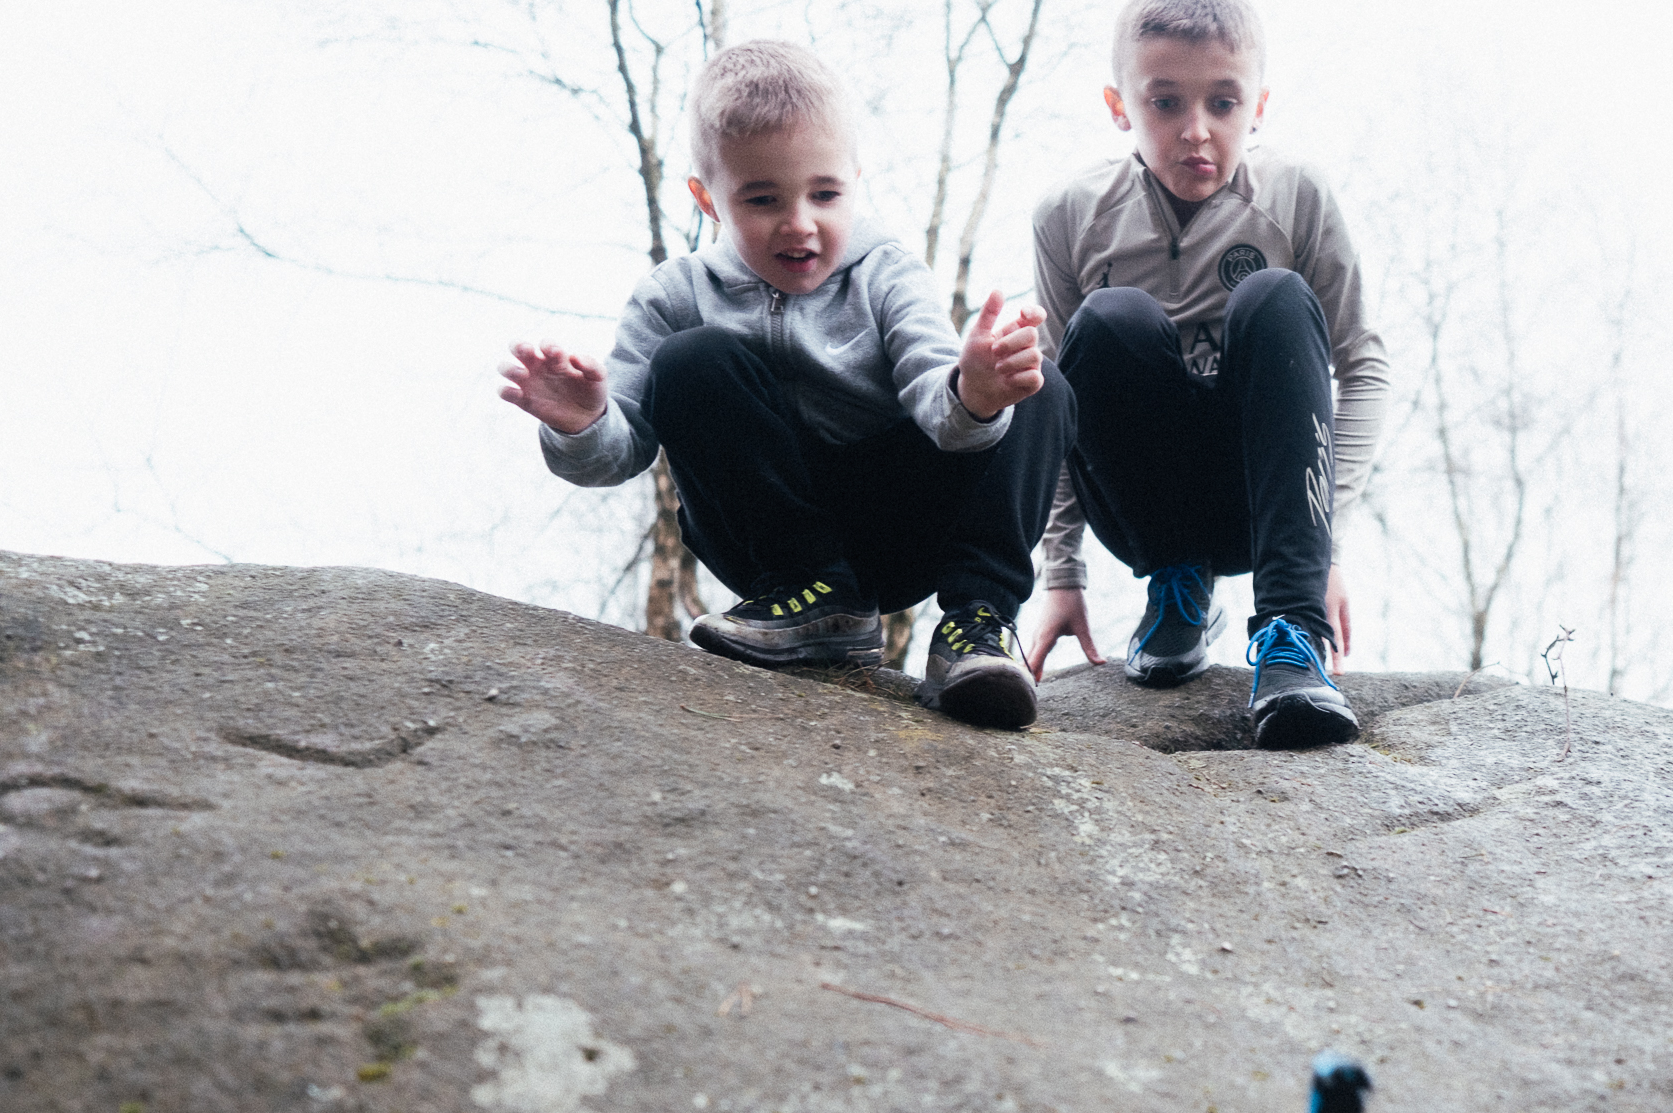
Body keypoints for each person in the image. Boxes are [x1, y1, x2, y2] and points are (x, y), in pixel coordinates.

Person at [500, 40, 1071, 730]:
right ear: (707, 198)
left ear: (855, 179)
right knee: (690, 359)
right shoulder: (673, 296)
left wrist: (975, 392)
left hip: (901, 524)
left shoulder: (886, 272)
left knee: (1036, 382)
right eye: (763, 198)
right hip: (771, 542)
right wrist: (584, 421)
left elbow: (939, 410)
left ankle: (976, 627)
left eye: (825, 194)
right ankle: (813, 599)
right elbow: (618, 454)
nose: (799, 222)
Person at [1024, 0, 1390, 750]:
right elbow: (1050, 402)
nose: (1197, 129)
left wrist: (1327, 545)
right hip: (1143, 508)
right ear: (1120, 106)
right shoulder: (1069, 216)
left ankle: (1291, 635)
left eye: (1223, 103)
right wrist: (1063, 573)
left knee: (1276, 296)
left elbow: (1365, 365)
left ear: (1257, 106)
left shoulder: (1295, 197)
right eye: (1166, 102)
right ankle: (1177, 588)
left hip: (1263, 502)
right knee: (1108, 321)